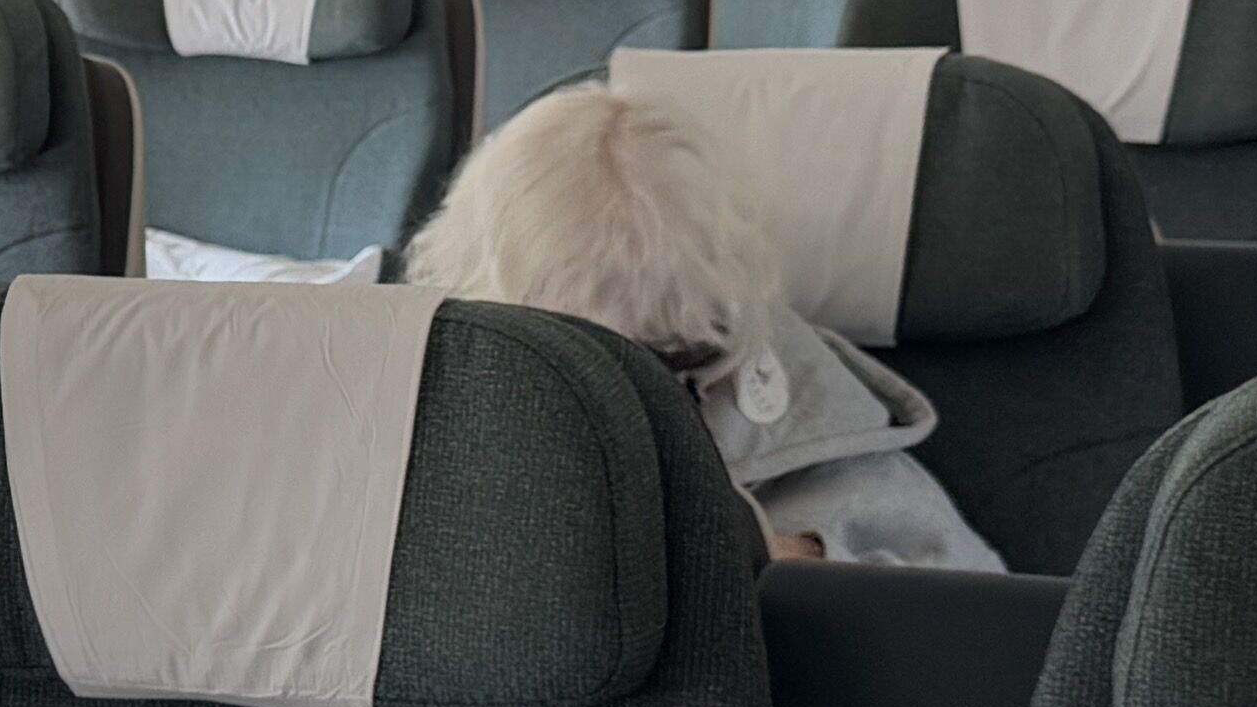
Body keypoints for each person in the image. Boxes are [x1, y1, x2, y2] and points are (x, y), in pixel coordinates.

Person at [410, 85, 1001, 569]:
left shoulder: (818, 432)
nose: (629, 396)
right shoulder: (424, 388)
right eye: (577, 361)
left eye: (667, 356)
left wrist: (800, 561)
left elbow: (990, 628)